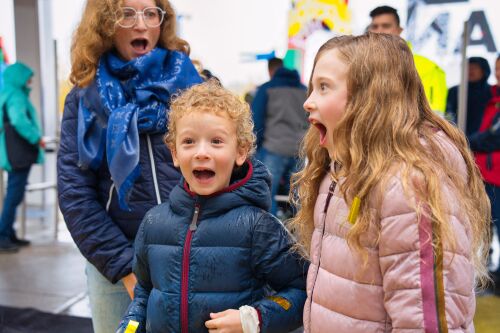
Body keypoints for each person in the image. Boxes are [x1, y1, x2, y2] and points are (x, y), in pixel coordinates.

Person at [290, 33, 490, 332]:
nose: (308, 102)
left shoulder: (409, 185)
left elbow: (423, 320)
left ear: (369, 98)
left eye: (324, 87)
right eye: (312, 87)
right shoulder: (339, 168)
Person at [57, 0, 201, 332]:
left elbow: (234, 168)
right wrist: (125, 267)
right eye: (126, 13)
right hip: (118, 263)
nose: (141, 24)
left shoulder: (195, 86)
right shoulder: (84, 98)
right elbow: (75, 194)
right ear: (106, 23)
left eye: (151, 13)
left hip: (195, 257)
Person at [117, 81, 307, 333]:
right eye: (189, 142)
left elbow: (301, 291)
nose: (201, 152)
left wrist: (254, 319)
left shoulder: (258, 227)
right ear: (174, 153)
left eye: (216, 141)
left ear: (240, 151)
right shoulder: (154, 223)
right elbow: (143, 293)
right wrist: (128, 329)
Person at [251, 57, 308, 216]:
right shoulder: (305, 90)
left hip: (273, 148)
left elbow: (256, 121)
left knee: (265, 194)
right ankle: (298, 231)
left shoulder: (267, 89)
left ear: (270, 70)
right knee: (297, 196)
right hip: (298, 149)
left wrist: (257, 147)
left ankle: (271, 228)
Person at [369, 5, 447, 115]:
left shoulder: (428, 68)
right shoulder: (362, 66)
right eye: (375, 26)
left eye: (386, 26)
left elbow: (434, 119)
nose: (379, 31)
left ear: (399, 30)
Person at [0, 62, 44, 252]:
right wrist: (36, 138)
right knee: (13, 195)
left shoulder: (8, 92)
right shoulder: (16, 94)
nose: (30, 81)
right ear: (18, 77)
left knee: (14, 194)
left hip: (13, 152)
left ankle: (9, 234)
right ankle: (2, 236)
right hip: (18, 153)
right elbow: (18, 120)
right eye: (27, 77)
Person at [468, 55, 500, 289]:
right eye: (498, 69)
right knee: (485, 225)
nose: (499, 73)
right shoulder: (493, 98)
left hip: (496, 175)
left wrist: (466, 141)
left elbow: (493, 136)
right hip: (487, 174)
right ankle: (491, 276)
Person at [446, 57, 492, 136]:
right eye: (467, 67)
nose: (470, 71)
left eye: (474, 68)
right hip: (458, 137)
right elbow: (448, 114)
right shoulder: (454, 91)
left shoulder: (492, 92)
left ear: (484, 70)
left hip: (484, 141)